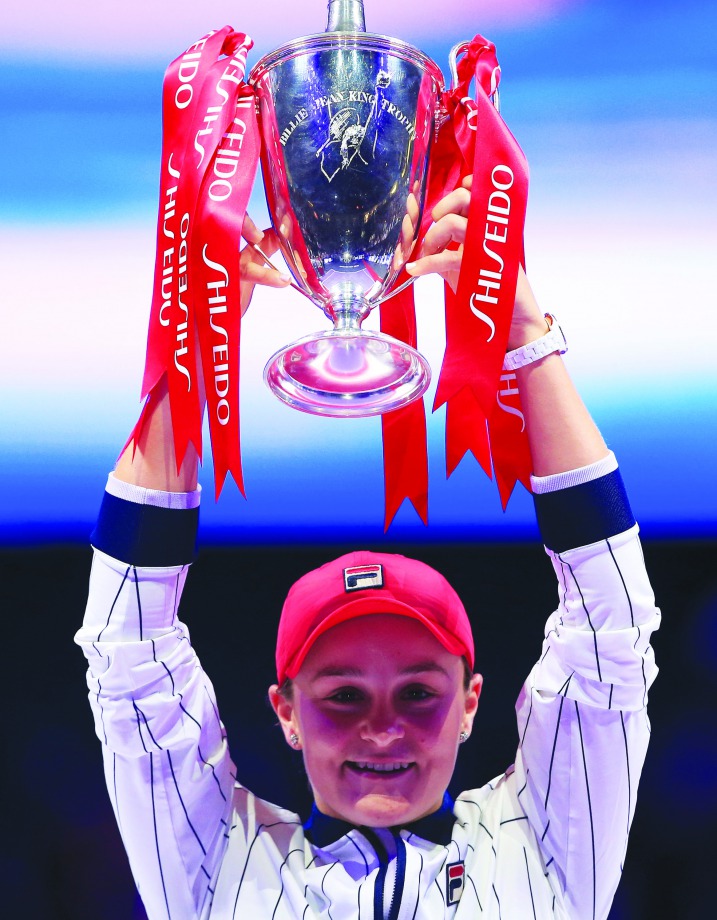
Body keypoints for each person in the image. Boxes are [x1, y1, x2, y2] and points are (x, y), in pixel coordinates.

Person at [76, 178, 660, 919]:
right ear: (284, 710)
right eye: (341, 695)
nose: (382, 728)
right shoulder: (222, 865)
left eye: (419, 692)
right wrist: (194, 355)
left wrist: (524, 333)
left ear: (468, 703)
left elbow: (612, 635)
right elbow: (128, 657)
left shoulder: (537, 846)